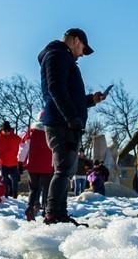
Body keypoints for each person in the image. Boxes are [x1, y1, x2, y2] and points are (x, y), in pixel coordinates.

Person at [38, 27, 106, 225]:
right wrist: (71, 117)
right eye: (83, 50)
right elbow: (56, 88)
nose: (81, 55)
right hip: (61, 122)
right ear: (76, 40)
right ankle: (51, 214)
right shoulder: (57, 55)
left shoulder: (62, 57)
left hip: (65, 121)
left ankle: (60, 214)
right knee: (63, 170)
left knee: (66, 170)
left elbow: (68, 94)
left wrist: (91, 100)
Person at [22, 124, 54, 221]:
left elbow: (23, 146)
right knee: (47, 189)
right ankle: (46, 211)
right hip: (47, 164)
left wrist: (21, 161)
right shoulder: (51, 130)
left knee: (33, 188)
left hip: (33, 165)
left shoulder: (31, 132)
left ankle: (30, 207)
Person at [0, 121, 21, 198]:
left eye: (8, 131)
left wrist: (21, 162)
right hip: (3, 163)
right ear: (2, 130)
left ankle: (15, 195)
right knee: (5, 180)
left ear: (10, 130)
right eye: (5, 131)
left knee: (14, 180)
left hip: (14, 162)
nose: (7, 132)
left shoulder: (16, 138)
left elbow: (22, 148)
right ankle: (5, 195)